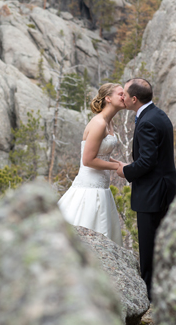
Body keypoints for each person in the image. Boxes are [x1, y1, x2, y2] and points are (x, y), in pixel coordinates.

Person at [112, 78, 176, 300]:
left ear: (133, 99)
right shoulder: (158, 114)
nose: (122, 97)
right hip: (165, 190)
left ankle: (150, 296)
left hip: (153, 194)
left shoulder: (148, 121)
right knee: (162, 244)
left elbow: (147, 161)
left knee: (149, 247)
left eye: (125, 94)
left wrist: (126, 171)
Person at [58, 83, 126, 246]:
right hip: (88, 190)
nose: (125, 96)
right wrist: (116, 168)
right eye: (121, 94)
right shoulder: (99, 123)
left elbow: (100, 155)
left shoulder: (109, 123)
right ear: (108, 98)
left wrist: (119, 163)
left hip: (102, 189)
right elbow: (88, 160)